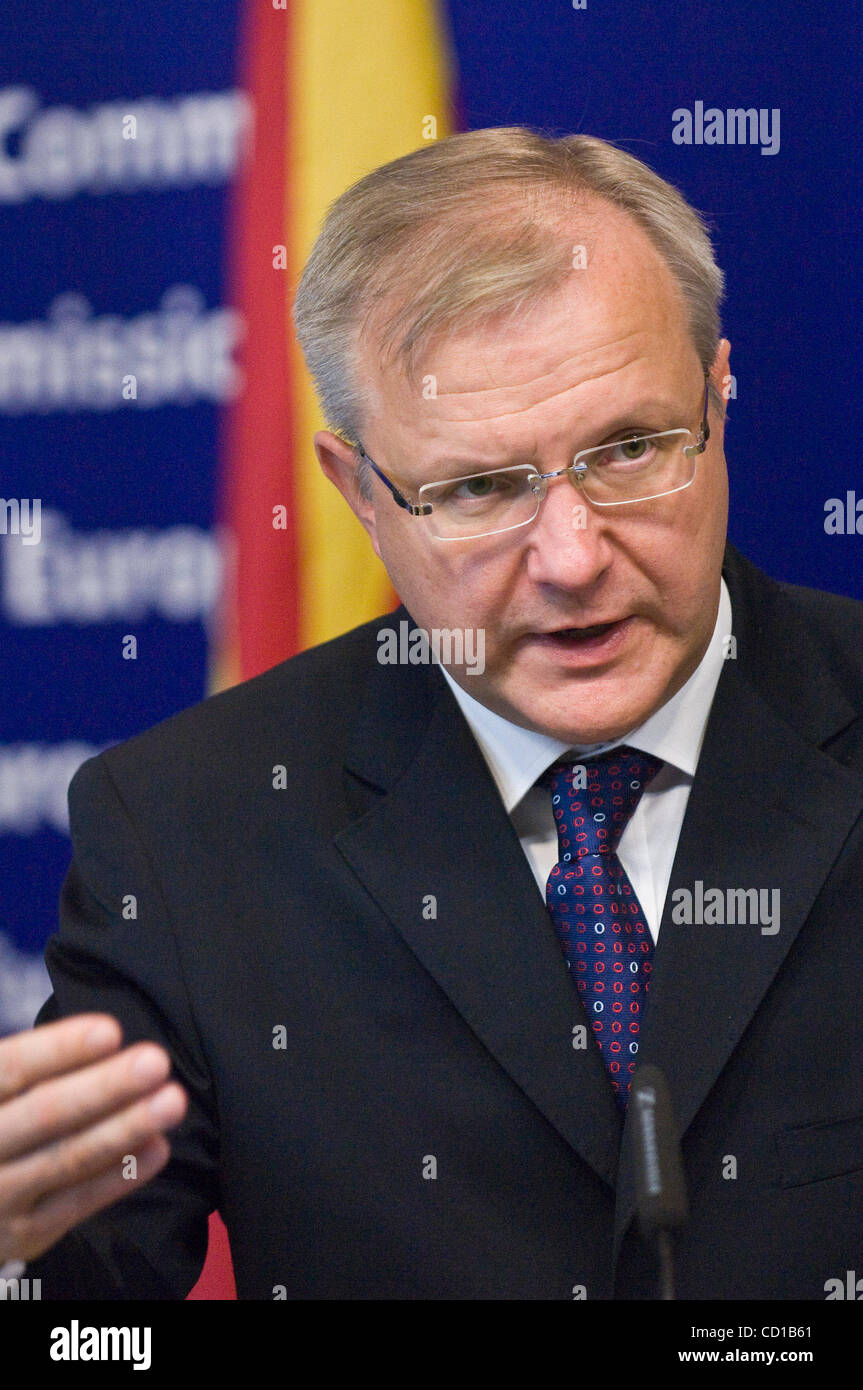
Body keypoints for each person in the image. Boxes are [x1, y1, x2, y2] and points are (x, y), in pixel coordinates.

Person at [3, 127, 862, 1299]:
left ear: (716, 398)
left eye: (628, 448)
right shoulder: (187, 828)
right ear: (358, 491)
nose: (568, 557)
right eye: (476, 488)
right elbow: (86, 1317)